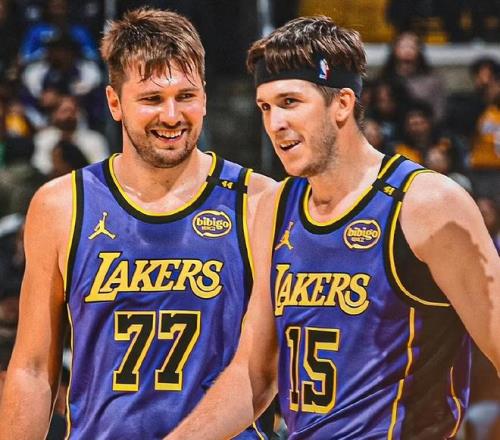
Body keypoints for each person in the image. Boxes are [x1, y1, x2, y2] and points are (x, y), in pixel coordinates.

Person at [166, 16, 500, 439]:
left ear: (342, 103)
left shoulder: (425, 204)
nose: (275, 123)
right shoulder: (275, 207)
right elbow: (254, 375)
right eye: (265, 107)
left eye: (290, 102)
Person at [0, 8, 276, 439]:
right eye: (151, 99)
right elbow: (33, 369)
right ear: (115, 103)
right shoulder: (61, 205)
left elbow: (266, 368)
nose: (172, 116)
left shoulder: (259, 201)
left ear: (205, 97)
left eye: (186, 96)